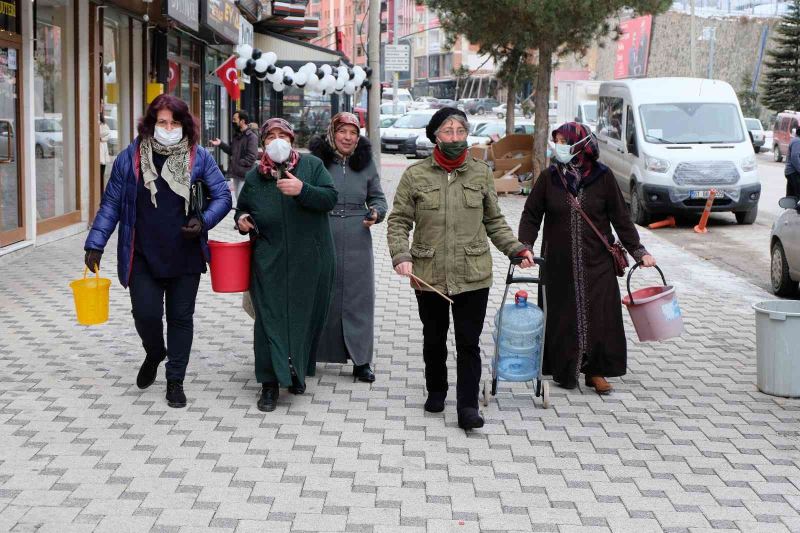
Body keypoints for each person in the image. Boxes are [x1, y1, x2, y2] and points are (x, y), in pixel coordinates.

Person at [387, 107, 534, 431]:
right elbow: (398, 220)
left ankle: (467, 407)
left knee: (468, 343)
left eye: (460, 131)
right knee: (434, 338)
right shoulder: (416, 174)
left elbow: (494, 221)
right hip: (429, 274)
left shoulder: (480, 173)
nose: (454, 137)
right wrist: (401, 255)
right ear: (435, 136)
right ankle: (437, 389)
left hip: (473, 274)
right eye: (447, 131)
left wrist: (517, 249)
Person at [83, 94, 232, 408]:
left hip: (185, 253)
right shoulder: (131, 157)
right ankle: (154, 351)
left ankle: (175, 380)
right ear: (151, 124)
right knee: (145, 314)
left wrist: (203, 221)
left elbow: (223, 196)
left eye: (174, 122)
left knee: (181, 318)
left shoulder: (198, 156)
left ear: (184, 125)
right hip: (143, 253)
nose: (168, 128)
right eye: (162, 122)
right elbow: (111, 204)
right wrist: (96, 243)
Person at [518, 122, 656, 396]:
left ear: (579, 146)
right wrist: (525, 247)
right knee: (562, 316)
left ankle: (596, 372)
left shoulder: (603, 177)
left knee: (600, 316)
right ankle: (565, 370)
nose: (558, 146)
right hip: (558, 263)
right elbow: (531, 215)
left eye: (562, 141)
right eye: (556, 141)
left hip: (597, 263)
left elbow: (621, 218)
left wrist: (639, 251)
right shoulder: (549, 177)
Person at [235, 118, 338, 413]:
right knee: (269, 319)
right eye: (270, 136)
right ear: (263, 142)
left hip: (310, 258)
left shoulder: (312, 166)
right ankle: (269, 384)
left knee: (303, 317)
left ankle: (295, 371)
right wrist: (242, 220)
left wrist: (302, 190)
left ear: (292, 140)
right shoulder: (256, 176)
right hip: (269, 259)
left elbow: (330, 197)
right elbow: (243, 208)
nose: (277, 140)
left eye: (282, 135)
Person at [309, 112, 387, 383]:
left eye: (353, 132)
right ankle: (310, 353)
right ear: (332, 132)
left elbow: (378, 198)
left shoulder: (365, 164)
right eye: (342, 131)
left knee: (359, 299)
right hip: (322, 232)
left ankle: (361, 361)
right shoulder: (316, 162)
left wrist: (376, 212)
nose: (347, 137)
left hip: (357, 236)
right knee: (321, 294)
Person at [211, 110, 259, 202]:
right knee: (238, 198)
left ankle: (246, 215)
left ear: (242, 121)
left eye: (235, 119)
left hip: (245, 174)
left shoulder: (251, 137)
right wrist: (220, 144)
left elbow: (252, 156)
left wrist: (239, 163)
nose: (233, 122)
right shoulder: (237, 136)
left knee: (242, 199)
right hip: (237, 173)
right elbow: (232, 151)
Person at [784, 124, 800, 197]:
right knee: (798, 193)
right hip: (793, 172)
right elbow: (795, 157)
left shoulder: (795, 140)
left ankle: (789, 206)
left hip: (790, 171)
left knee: (791, 193)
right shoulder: (797, 141)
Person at [99, 113, 110, 183]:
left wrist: (101, 138)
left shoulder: (104, 125)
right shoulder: (102, 125)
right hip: (101, 148)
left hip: (102, 147)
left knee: (102, 166)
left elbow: (108, 134)